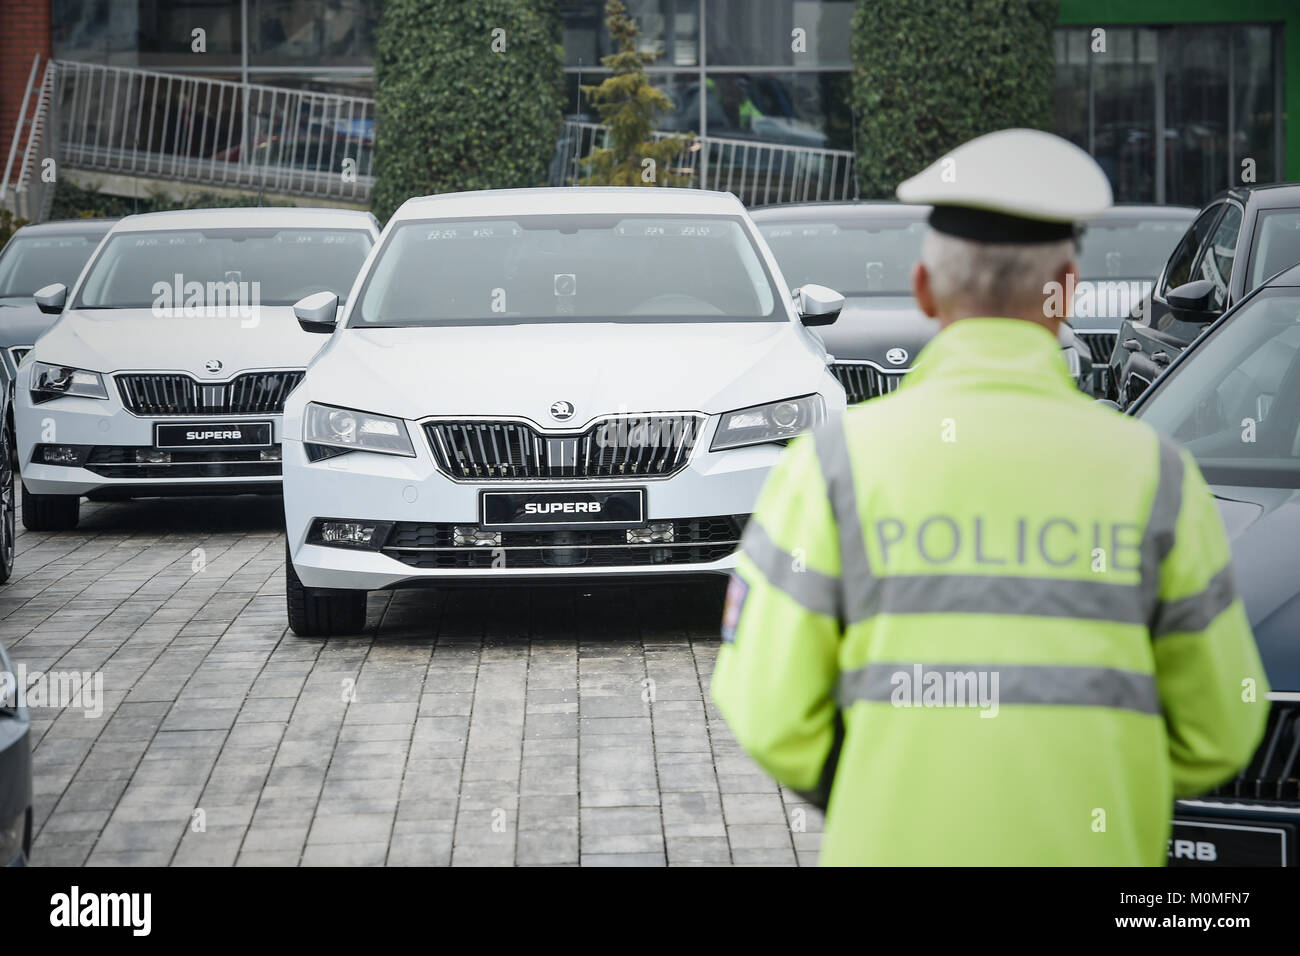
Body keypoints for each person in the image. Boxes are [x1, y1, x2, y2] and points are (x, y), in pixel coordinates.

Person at [710, 128, 1270, 866]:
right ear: (1065, 293)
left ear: (923, 289)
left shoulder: (833, 466)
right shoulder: (1155, 476)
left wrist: (885, 783)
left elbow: (769, 711)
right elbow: (1224, 728)